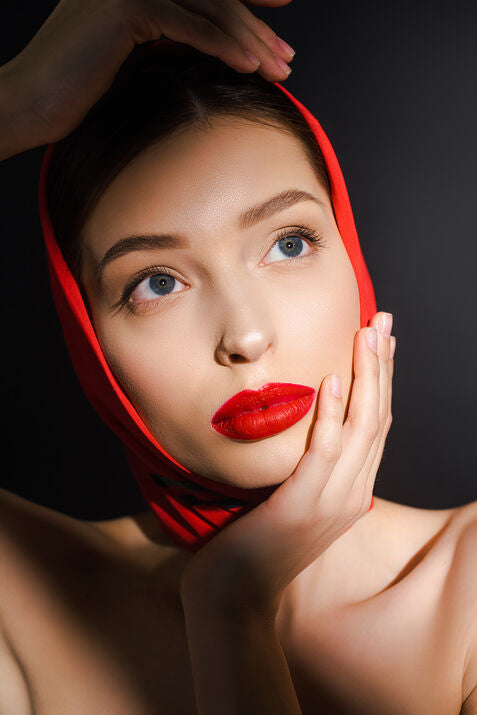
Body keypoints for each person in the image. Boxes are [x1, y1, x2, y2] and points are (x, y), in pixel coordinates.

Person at [0, 1, 476, 713]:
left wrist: (231, 610)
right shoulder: (25, 594)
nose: (245, 336)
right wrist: (18, 99)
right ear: (87, 335)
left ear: (349, 248)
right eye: (155, 283)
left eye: (288, 243)